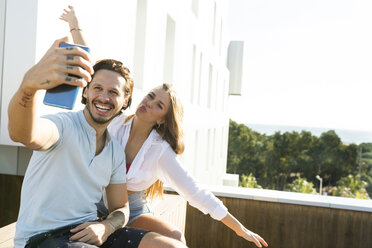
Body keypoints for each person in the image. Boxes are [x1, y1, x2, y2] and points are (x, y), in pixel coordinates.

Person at [61, 6, 268, 248]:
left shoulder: (159, 151)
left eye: (158, 105)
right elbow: (95, 73)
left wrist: (240, 229)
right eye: (150, 96)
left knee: (177, 239)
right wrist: (74, 25)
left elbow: (197, 193)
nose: (147, 103)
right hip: (95, 205)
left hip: (133, 209)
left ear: (162, 119)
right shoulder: (115, 119)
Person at [8, 36, 187, 248]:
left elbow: (121, 208)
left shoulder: (114, 152)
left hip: (88, 231)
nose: (104, 97)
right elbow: (23, 134)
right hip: (41, 239)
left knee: (173, 246)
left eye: (113, 92)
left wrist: (107, 226)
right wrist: (29, 88)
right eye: (98, 88)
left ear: (125, 102)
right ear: (86, 91)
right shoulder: (63, 126)